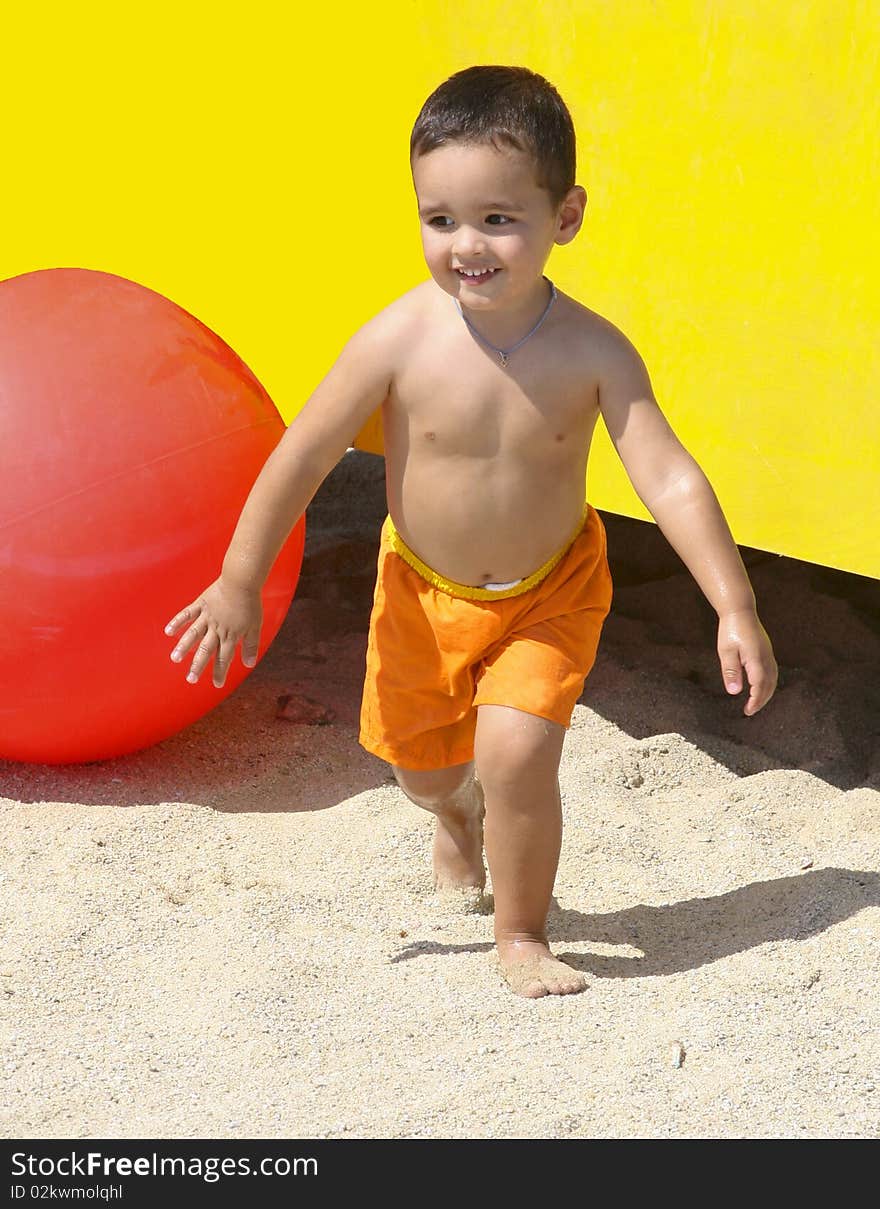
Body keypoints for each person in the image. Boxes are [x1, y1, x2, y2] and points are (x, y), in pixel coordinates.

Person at [164, 65, 778, 999]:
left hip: (550, 590)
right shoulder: (396, 340)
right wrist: (240, 578)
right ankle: (454, 817)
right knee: (426, 770)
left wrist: (733, 603)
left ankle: (522, 931)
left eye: (499, 218)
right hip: (421, 591)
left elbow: (668, 474)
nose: (467, 245)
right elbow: (303, 455)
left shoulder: (596, 350)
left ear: (565, 216)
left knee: (519, 750)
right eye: (439, 219)